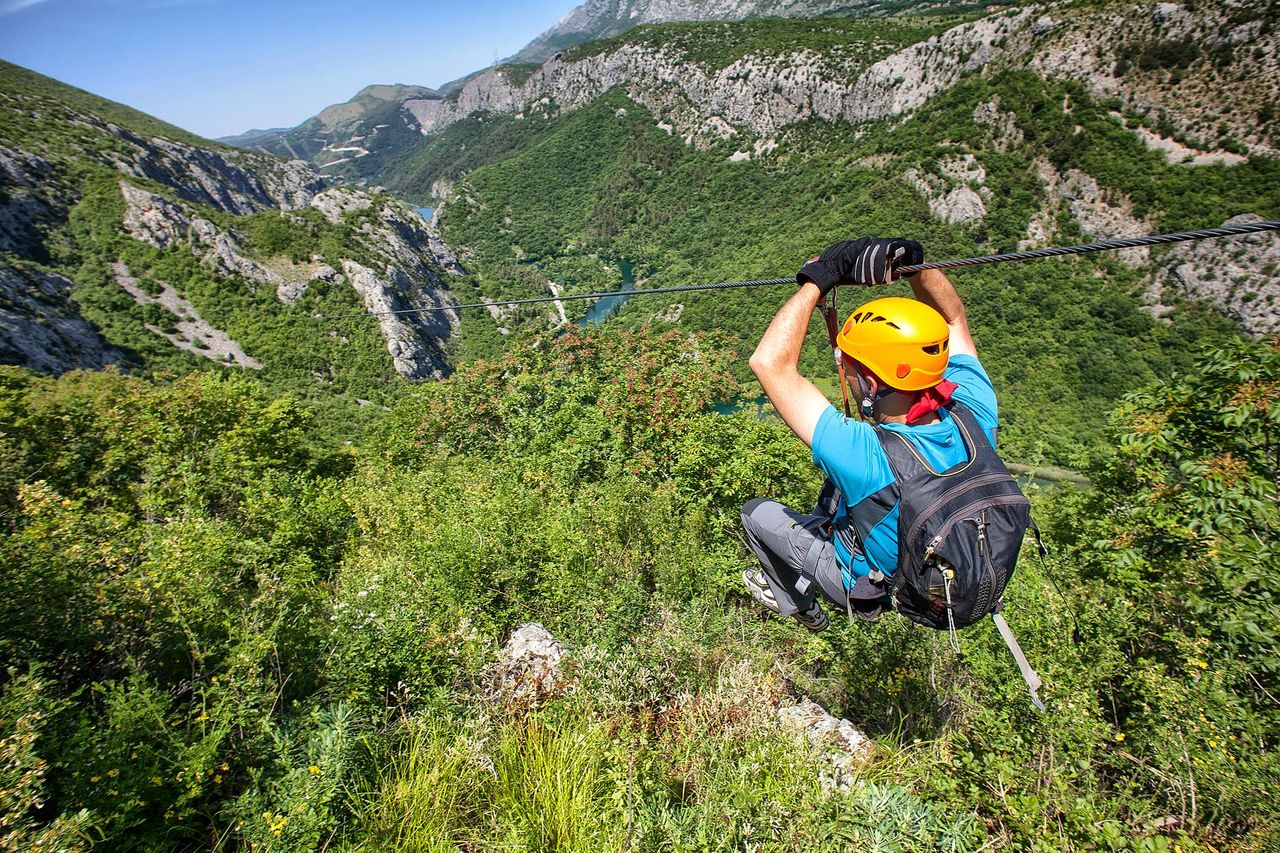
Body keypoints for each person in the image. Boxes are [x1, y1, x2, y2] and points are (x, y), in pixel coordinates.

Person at [740, 237, 1000, 631]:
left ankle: (802, 607)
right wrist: (912, 265)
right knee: (837, 491)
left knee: (755, 515)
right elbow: (953, 320)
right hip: (943, 565)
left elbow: (769, 363)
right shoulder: (974, 410)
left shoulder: (865, 456)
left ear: (872, 384)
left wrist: (819, 278)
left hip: (872, 585)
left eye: (850, 367)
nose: (844, 372)